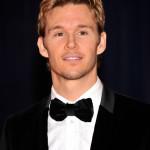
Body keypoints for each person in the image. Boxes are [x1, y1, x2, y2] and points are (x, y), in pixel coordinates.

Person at [0, 0, 150, 149]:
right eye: (59, 34)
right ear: (42, 47)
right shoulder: (15, 130)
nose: (71, 43)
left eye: (82, 32)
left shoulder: (143, 122)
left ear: (101, 42)